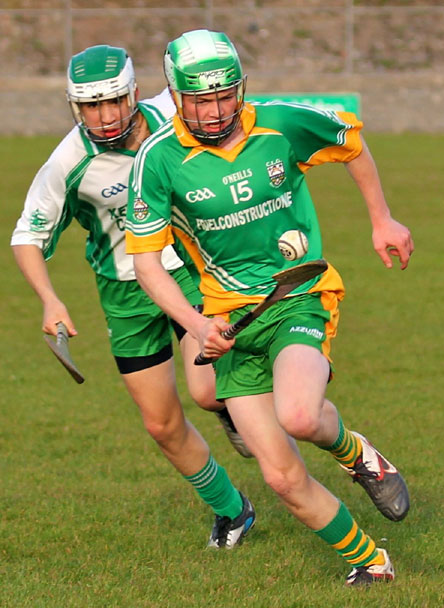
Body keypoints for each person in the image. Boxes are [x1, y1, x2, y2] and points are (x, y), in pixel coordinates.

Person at [125, 29, 414, 586]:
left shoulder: (280, 122)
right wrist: (195, 324)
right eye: (199, 100)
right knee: (281, 477)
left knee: (300, 415)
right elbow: (147, 265)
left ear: (241, 89)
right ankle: (372, 564)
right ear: (174, 95)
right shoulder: (158, 161)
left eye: (224, 96)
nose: (213, 111)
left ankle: (357, 454)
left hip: (297, 293)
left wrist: (382, 219)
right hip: (231, 321)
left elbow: (351, 141)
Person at [10, 44, 256, 549]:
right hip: (124, 295)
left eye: (115, 102)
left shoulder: (174, 116)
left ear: (135, 93)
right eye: (90, 107)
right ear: (75, 107)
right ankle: (233, 511)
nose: (104, 117)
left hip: (187, 272)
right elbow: (26, 237)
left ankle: (229, 407)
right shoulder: (68, 161)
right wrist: (50, 300)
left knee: (207, 390)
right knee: (161, 425)